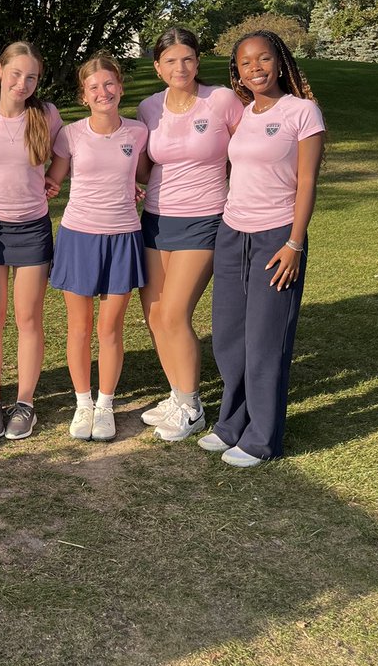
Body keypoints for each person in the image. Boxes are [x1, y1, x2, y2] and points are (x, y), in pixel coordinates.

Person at [200, 30, 325, 467]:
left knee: (266, 340)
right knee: (229, 337)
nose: (256, 68)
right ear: (237, 70)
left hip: (277, 237)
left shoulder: (302, 112)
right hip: (233, 232)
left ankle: (262, 438)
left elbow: (307, 182)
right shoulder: (245, 113)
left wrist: (294, 241)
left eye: (264, 59)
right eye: (246, 62)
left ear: (281, 61)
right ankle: (231, 423)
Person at [136, 27, 243, 441]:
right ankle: (177, 395)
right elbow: (146, 165)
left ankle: (193, 406)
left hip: (205, 219)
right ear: (158, 67)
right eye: (170, 61)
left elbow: (243, 151)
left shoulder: (221, 100)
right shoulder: (149, 108)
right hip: (157, 220)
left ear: (198, 62)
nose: (180, 68)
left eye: (187, 59)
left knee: (175, 313)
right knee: (154, 315)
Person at [45, 54, 148, 443]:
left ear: (120, 87)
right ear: (84, 95)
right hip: (79, 236)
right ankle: (83, 403)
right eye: (94, 87)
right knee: (80, 326)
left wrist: (139, 189)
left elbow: (144, 176)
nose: (103, 92)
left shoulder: (138, 133)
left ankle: (105, 405)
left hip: (124, 236)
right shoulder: (70, 134)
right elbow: (53, 181)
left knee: (110, 328)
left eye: (109, 84)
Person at [0, 42, 63, 441]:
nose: (23, 83)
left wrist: (54, 178)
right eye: (16, 74)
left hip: (32, 229)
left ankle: (25, 402)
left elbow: (64, 151)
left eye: (32, 77)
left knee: (28, 319)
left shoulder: (46, 115)